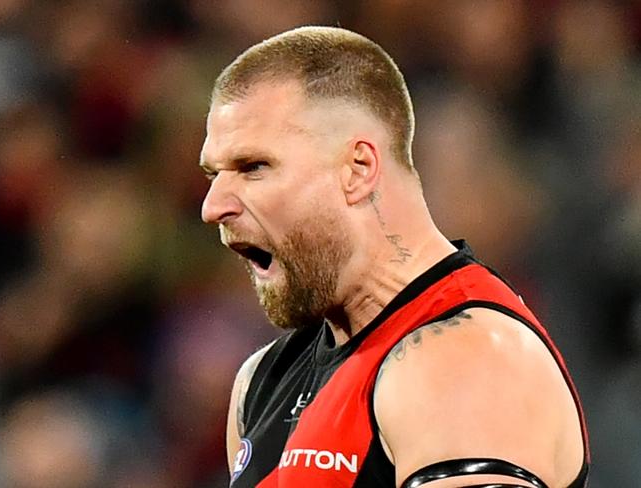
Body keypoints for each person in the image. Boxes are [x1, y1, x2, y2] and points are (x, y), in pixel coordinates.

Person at [198, 26, 589, 488]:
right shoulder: (260, 382)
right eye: (214, 173)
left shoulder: (465, 360)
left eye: (253, 167)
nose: (212, 206)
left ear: (358, 170)